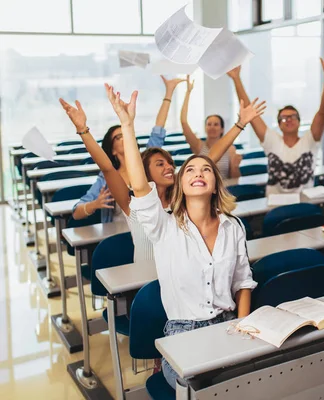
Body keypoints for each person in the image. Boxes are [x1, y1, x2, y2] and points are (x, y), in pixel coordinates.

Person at [105, 84, 264, 390]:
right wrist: (127, 125)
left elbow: (244, 282)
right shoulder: (164, 227)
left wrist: (243, 325)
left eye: (205, 168)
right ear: (181, 185)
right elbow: (140, 186)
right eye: (189, 170)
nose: (197, 172)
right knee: (207, 388)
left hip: (230, 324)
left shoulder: (233, 227)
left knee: (250, 381)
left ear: (215, 184)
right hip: (183, 334)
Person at [59, 98, 176, 263]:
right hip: (133, 256)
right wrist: (83, 129)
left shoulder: (180, 202)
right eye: (160, 164)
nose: (169, 167)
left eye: (171, 164)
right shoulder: (135, 206)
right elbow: (107, 168)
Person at [71, 76, 184, 223]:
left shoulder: (146, 162)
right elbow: (76, 211)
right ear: (111, 149)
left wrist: (169, 93)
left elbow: (158, 129)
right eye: (119, 137)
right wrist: (94, 204)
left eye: (126, 134)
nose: (125, 138)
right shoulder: (106, 179)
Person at [227, 50, 324, 195]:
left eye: (293, 117)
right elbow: (250, 113)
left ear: (299, 122)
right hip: (275, 204)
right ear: (279, 124)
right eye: (284, 118)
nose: (289, 120)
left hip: (304, 204)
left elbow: (323, 112)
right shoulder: (272, 140)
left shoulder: (310, 140)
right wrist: (236, 79)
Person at [180, 75, 242, 179]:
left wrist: (235, 167)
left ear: (222, 129)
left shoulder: (230, 149)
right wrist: (188, 92)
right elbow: (184, 122)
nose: (212, 127)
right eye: (209, 124)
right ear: (205, 128)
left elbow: (234, 179)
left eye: (216, 124)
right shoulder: (199, 146)